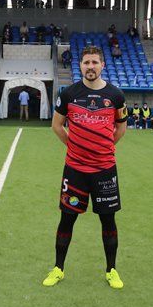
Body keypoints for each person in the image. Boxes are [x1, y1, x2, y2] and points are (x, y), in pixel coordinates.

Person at [44, 46, 128, 289]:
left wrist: (104, 148)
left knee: (108, 221)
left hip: (104, 170)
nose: (90, 67)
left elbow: (121, 128)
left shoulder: (116, 96)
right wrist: (75, 146)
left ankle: (111, 270)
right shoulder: (69, 93)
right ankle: (58, 268)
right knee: (67, 219)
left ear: (102, 65)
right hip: (75, 170)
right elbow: (57, 125)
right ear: (80, 66)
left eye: (94, 62)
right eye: (86, 63)